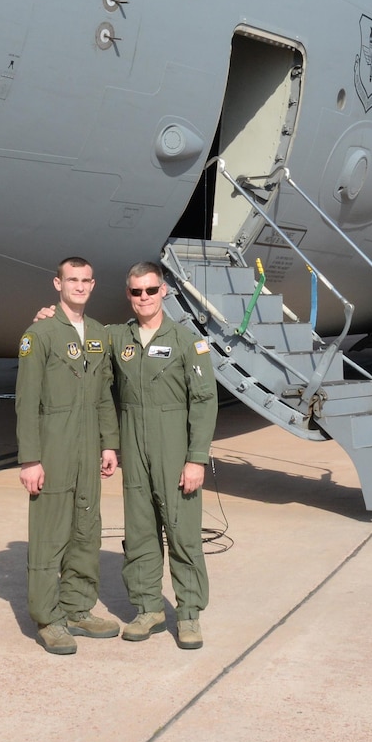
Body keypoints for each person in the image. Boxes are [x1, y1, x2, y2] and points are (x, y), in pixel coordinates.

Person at [107, 261, 217, 650]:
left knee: (183, 532)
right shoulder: (118, 338)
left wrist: (196, 458)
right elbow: (80, 340)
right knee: (138, 532)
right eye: (136, 292)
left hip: (174, 447)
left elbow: (204, 401)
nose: (144, 298)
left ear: (163, 291)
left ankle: (188, 614)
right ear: (128, 294)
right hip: (134, 444)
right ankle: (148, 608)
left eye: (150, 290)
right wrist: (49, 317)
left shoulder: (188, 341)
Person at [15, 256, 120, 655]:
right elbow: (26, 402)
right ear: (57, 284)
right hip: (53, 448)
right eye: (71, 280)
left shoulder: (98, 333)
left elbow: (104, 394)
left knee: (85, 531)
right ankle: (48, 617)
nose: (79, 286)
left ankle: (78, 608)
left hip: (89, 447)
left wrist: (109, 443)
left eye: (85, 280)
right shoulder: (39, 334)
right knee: (49, 535)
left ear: (93, 285)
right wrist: (30, 459)